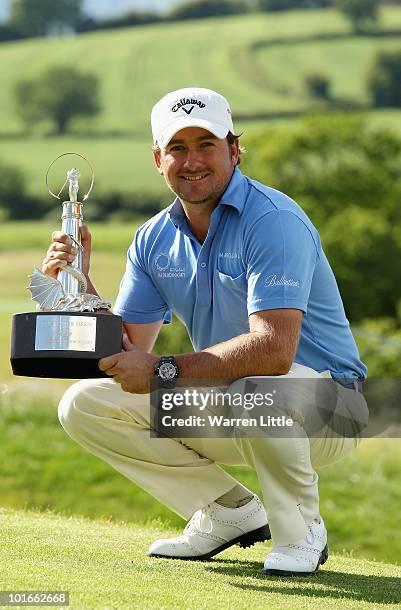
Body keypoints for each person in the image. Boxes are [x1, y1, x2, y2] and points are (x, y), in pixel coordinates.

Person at [43, 87, 368, 577]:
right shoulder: (153, 238)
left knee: (256, 388)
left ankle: (300, 531)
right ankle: (227, 511)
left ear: (235, 150)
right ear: (158, 159)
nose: (191, 161)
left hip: (330, 407)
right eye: (177, 148)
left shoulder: (273, 220)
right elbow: (129, 353)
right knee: (85, 404)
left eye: (206, 144)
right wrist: (81, 281)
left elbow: (274, 352)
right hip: (235, 403)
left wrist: (164, 371)